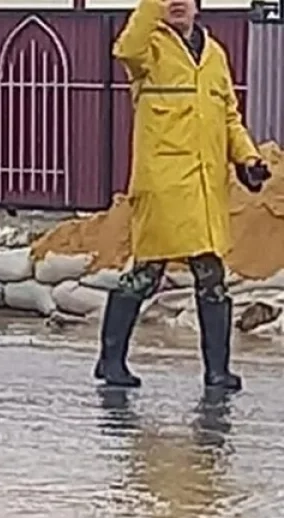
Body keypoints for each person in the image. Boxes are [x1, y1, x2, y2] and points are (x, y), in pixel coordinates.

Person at [97, 0, 272, 391]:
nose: (176, 3)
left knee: (211, 278)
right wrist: (150, 7)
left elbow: (229, 116)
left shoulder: (214, 54)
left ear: (198, 6)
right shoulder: (148, 48)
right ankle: (110, 361)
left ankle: (217, 371)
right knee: (146, 275)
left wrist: (247, 159)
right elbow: (124, 50)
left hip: (205, 187)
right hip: (163, 186)